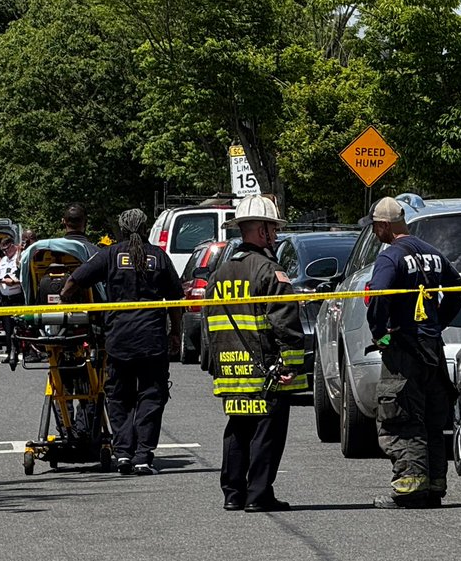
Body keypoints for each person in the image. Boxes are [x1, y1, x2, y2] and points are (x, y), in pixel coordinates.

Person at [204, 195, 306, 512]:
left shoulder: (218, 275)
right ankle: (259, 494)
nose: (275, 236)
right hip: (266, 369)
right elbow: (284, 323)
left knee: (238, 427)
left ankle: (233, 493)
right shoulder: (270, 272)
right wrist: (290, 365)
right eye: (273, 229)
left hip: (230, 369)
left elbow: (209, 328)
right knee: (266, 430)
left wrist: (213, 365)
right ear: (262, 231)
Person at [61, 209, 182, 475]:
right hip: (152, 338)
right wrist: (176, 333)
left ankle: (124, 454)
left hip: (119, 338)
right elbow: (176, 299)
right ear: (147, 228)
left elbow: (74, 282)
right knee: (151, 396)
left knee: (119, 397)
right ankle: (142, 456)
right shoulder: (159, 257)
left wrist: (68, 304)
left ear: (122, 230)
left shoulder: (110, 254)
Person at [366, 196, 461, 509]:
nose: (374, 234)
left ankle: (410, 489)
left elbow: (380, 295)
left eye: (375, 228)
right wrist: (437, 322)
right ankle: (434, 484)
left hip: (404, 349)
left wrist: (380, 334)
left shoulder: (390, 257)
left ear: (384, 226)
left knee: (402, 418)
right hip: (432, 349)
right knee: (432, 421)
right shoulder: (433, 253)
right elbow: (458, 289)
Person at [0, 237, 24, 362]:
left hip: (17, 297)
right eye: (2, 250)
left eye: (6, 249)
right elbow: (0, 275)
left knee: (21, 326)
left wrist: (12, 282)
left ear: (13, 246)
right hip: (6, 298)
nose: (4, 253)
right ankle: (11, 352)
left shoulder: (20, 257)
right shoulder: (3, 260)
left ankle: (24, 351)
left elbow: (24, 277)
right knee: (8, 328)